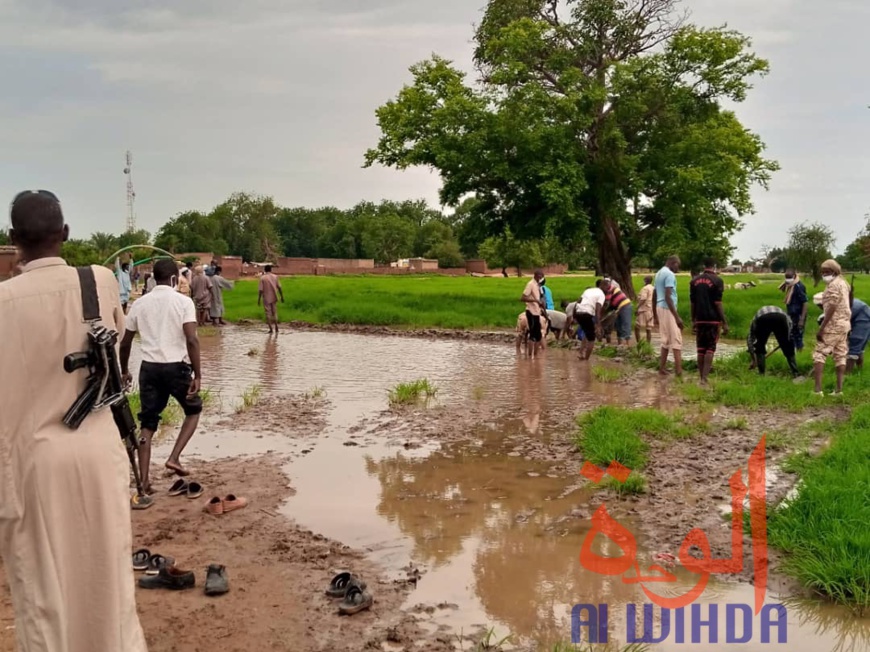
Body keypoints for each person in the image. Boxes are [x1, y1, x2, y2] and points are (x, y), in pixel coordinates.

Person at [0, 190, 148, 651]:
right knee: (108, 585)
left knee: (44, 595)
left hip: (33, 465)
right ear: (65, 235)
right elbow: (118, 336)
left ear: (12, 239)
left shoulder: (3, 299)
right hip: (98, 455)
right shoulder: (100, 281)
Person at [120, 258, 203, 494]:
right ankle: (174, 457)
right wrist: (198, 374)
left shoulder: (139, 304)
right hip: (176, 367)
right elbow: (191, 339)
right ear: (175, 279)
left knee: (147, 424)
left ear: (154, 279)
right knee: (194, 409)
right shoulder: (183, 302)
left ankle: (143, 483)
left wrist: (124, 370)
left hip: (149, 369)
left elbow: (125, 343)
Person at [814, 260, 851, 395]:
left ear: (834, 272)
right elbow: (850, 298)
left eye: (827, 272)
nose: (824, 275)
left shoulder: (833, 286)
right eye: (823, 272)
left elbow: (832, 306)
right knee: (840, 354)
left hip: (834, 324)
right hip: (845, 324)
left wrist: (822, 327)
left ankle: (817, 390)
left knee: (820, 353)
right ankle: (839, 390)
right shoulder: (843, 283)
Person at [689, 258, 729, 385]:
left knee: (700, 349)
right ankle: (704, 379)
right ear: (714, 266)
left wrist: (693, 320)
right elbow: (718, 303)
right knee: (710, 348)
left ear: (704, 265)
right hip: (713, 320)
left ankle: (701, 377)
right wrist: (725, 322)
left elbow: (693, 303)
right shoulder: (718, 280)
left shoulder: (694, 281)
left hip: (699, 319)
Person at [653, 255, 684, 376]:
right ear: (673, 263)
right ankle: (679, 371)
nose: (678, 268)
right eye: (677, 265)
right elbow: (668, 296)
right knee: (676, 339)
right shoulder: (670, 275)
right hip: (668, 308)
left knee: (665, 339)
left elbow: (655, 294)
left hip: (660, 307)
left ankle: (662, 368)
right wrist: (677, 317)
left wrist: (655, 314)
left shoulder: (659, 273)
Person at [747, 306, 799, 376]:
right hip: (780, 317)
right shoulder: (785, 315)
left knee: (759, 346)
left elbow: (750, 339)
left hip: (764, 318)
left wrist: (754, 359)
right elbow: (790, 326)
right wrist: (786, 340)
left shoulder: (754, 321)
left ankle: (761, 374)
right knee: (788, 346)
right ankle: (795, 372)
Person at [574, 280, 607, 360]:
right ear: (602, 285)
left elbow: (578, 302)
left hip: (579, 312)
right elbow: (598, 310)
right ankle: (586, 359)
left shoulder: (588, 290)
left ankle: (581, 353)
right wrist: (598, 324)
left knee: (587, 331)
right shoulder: (601, 294)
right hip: (587, 314)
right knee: (592, 339)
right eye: (607, 287)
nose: (608, 289)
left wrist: (574, 315)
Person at [782, 269, 808, 351]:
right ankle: (793, 355)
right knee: (791, 336)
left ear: (794, 276)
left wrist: (802, 320)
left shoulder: (798, 286)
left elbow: (805, 303)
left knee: (798, 337)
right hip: (791, 315)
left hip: (798, 315)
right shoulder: (790, 286)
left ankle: (800, 354)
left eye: (789, 277)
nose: (787, 279)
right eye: (786, 277)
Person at [520, 270, 546, 355]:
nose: (540, 278)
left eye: (542, 276)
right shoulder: (530, 284)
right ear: (535, 275)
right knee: (532, 334)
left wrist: (541, 305)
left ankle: (535, 356)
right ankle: (529, 356)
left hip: (537, 312)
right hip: (531, 312)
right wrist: (535, 300)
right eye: (539, 276)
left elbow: (541, 299)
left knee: (538, 335)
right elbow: (523, 298)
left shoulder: (538, 286)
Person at [603, 279, 633, 347]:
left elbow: (606, 304)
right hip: (618, 307)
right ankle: (620, 343)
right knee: (618, 324)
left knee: (625, 323)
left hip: (625, 305)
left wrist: (602, 314)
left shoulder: (610, 289)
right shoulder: (608, 290)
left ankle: (627, 344)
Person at [258, 264, 285, 334]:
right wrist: (282, 296)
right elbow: (279, 287)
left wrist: (258, 299)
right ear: (271, 270)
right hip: (274, 296)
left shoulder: (262, 278)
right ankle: (276, 327)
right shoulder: (275, 277)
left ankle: (270, 329)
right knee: (275, 312)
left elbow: (261, 290)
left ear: (265, 270)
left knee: (268, 313)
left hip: (266, 298)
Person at [847, 298, 870, 373]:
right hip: (862, 315)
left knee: (855, 345)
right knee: (859, 348)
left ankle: (847, 374)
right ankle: (859, 371)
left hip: (863, 317)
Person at [634, 275, 655, 344]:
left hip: (643, 309)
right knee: (648, 328)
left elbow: (643, 299)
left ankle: (639, 343)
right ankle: (648, 344)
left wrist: (637, 307)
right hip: (650, 309)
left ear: (645, 281)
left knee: (637, 327)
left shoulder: (645, 289)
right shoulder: (653, 288)